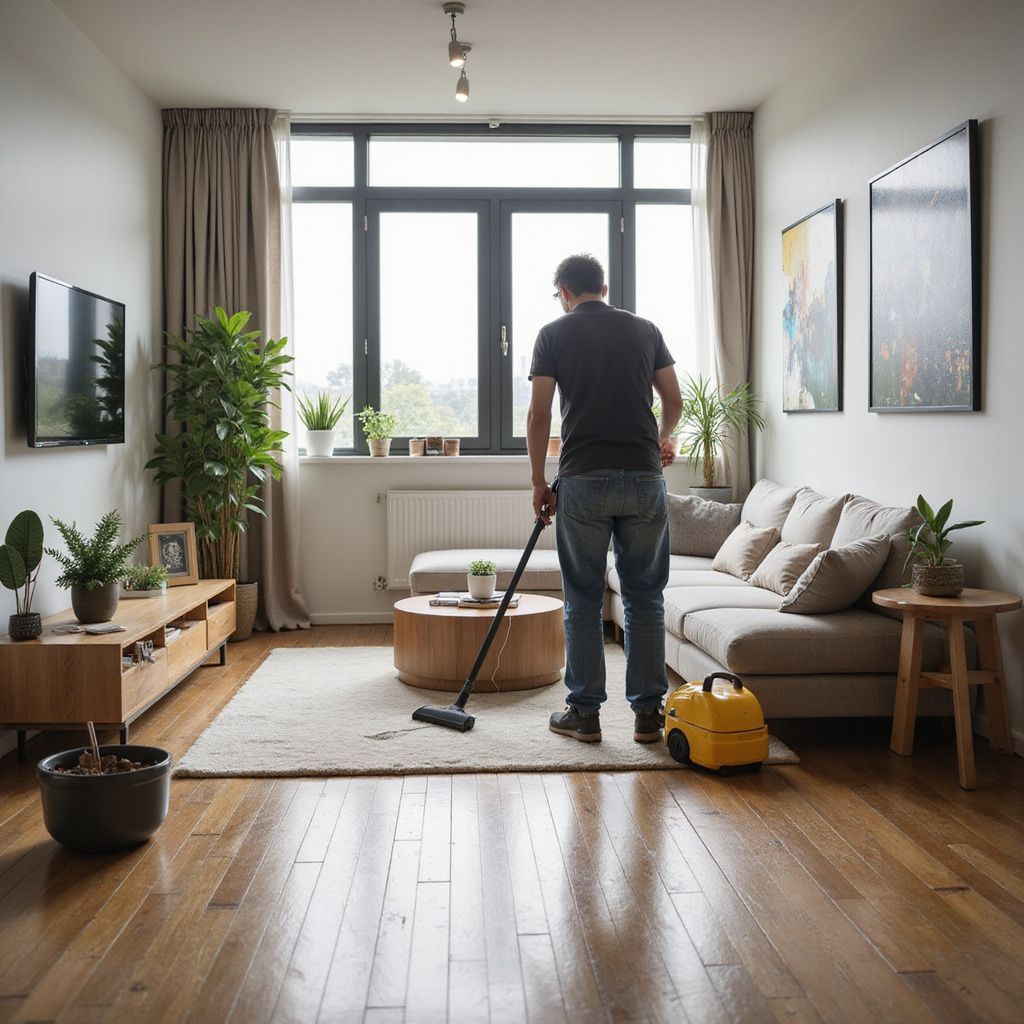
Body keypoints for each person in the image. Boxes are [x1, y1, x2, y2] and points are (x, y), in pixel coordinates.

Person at [526, 253, 682, 744]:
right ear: (605, 288)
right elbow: (673, 400)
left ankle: (585, 715)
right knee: (644, 598)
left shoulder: (554, 334)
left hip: (583, 479)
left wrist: (537, 481)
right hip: (643, 477)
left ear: (565, 293)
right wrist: (664, 437)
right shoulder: (645, 330)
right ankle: (647, 718)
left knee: (583, 599)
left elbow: (539, 416)